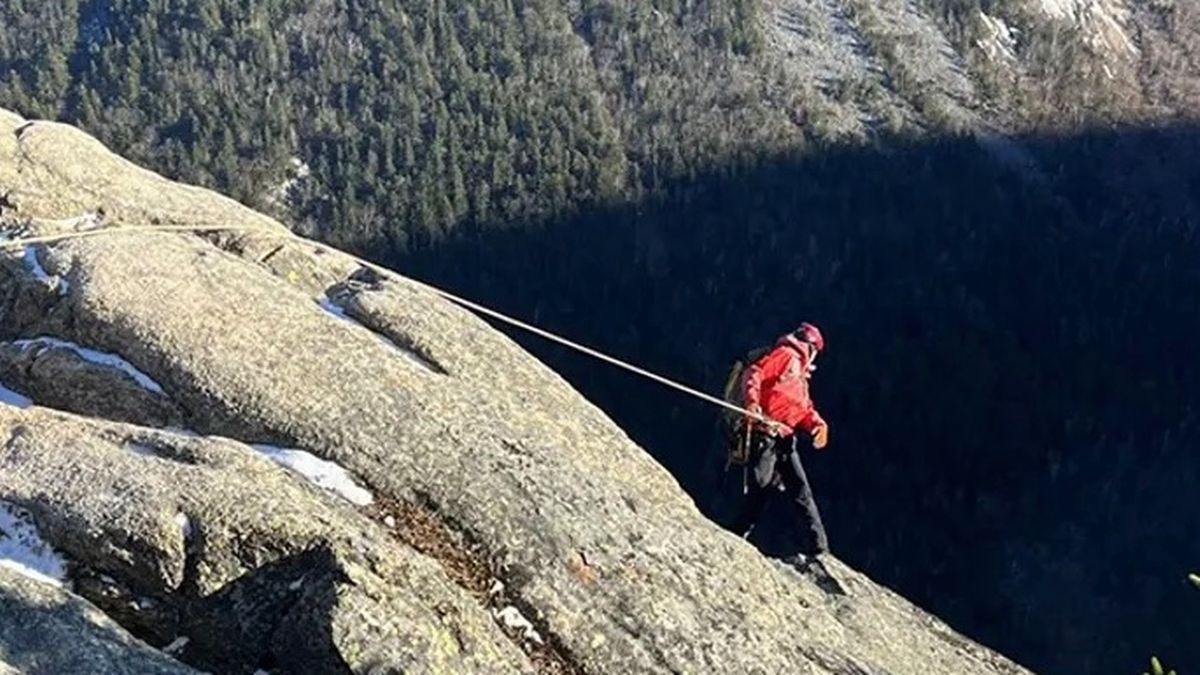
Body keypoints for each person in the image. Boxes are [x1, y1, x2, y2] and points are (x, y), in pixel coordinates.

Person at [730, 321, 831, 560]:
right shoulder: (787, 356)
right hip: (766, 433)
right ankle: (818, 548)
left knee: (790, 489)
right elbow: (755, 373)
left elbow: (803, 409)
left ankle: (819, 548)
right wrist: (752, 403)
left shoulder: (799, 374)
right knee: (767, 488)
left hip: (783, 438)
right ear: (812, 347)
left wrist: (817, 424)